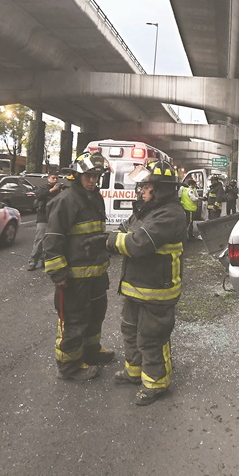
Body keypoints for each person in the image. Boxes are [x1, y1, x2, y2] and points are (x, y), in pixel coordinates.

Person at [105, 160, 187, 406]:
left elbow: (137, 243)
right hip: (136, 286)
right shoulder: (146, 210)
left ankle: (156, 384)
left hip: (157, 291)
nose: (141, 190)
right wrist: (112, 238)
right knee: (130, 330)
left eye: (146, 186)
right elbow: (124, 229)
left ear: (160, 188)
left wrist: (108, 243)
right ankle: (134, 371)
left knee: (151, 338)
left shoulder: (170, 214)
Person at [43, 153, 115, 381]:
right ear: (77, 175)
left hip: (95, 274)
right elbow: (53, 238)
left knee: (95, 315)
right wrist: (58, 272)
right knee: (74, 320)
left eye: (96, 176)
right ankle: (69, 366)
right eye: (88, 176)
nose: (93, 180)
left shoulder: (95, 197)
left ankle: (91, 353)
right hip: (74, 277)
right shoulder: (67, 200)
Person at [27, 173, 62, 271]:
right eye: (53, 178)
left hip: (54, 217)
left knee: (51, 241)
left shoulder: (59, 189)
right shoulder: (43, 188)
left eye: (57, 178)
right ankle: (33, 261)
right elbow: (38, 195)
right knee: (40, 240)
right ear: (48, 179)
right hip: (43, 217)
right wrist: (52, 190)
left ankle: (45, 260)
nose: (55, 180)